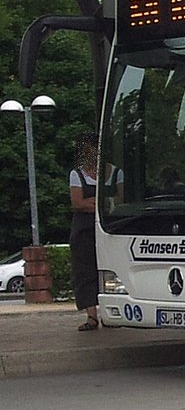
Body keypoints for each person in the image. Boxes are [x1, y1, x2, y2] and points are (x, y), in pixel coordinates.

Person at [68, 134, 102, 330]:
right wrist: (102, 204)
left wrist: (93, 203)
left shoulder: (115, 172)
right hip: (84, 231)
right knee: (85, 271)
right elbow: (78, 203)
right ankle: (92, 316)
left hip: (105, 229)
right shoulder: (77, 174)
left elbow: (118, 200)